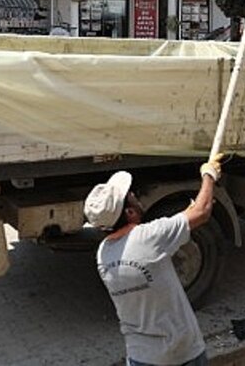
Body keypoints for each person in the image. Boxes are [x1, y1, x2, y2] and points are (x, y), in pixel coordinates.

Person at [84, 154, 223, 366]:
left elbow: (183, 218)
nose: (133, 194)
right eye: (129, 196)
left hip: (141, 358)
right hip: (183, 354)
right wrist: (209, 174)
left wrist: (189, 212)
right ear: (129, 211)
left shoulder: (104, 253)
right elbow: (202, 213)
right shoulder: (149, 237)